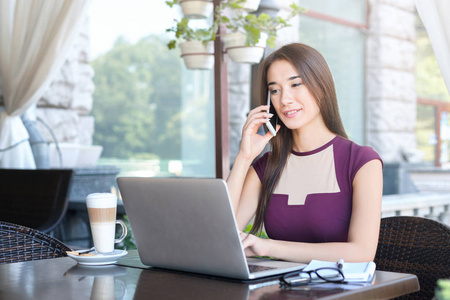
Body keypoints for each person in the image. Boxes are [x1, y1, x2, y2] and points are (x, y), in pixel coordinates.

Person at [226, 43, 383, 264]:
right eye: (275, 90)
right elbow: (224, 235)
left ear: (321, 85)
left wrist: (269, 246)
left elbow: (362, 252)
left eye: (295, 84)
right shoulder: (266, 166)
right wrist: (244, 158)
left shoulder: (361, 161)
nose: (284, 99)